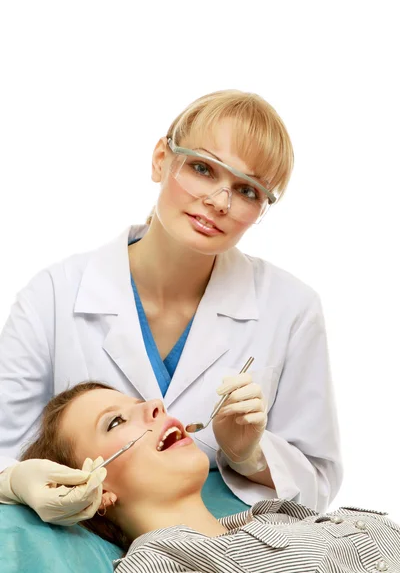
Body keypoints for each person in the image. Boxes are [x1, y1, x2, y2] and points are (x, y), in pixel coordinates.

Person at [0, 90, 342, 525]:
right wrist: (15, 481)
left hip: (240, 540)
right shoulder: (52, 296)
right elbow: (3, 445)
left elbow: (317, 478)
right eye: (202, 168)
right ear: (162, 158)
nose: (220, 202)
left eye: (247, 190)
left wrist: (249, 454)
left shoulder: (292, 308)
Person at [8, 382, 400, 573]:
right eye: (115, 421)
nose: (156, 404)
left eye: (140, 402)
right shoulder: (158, 565)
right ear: (95, 487)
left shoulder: (276, 516)